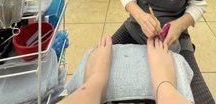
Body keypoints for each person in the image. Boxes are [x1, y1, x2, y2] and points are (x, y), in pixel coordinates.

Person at [61, 35, 191, 104]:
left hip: (173, 31)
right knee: (166, 88)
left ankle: (94, 82)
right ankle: (164, 84)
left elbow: (198, 4)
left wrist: (180, 24)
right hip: (136, 27)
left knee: (92, 84)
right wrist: (139, 15)